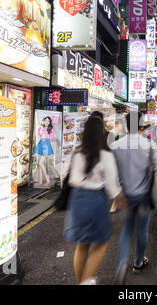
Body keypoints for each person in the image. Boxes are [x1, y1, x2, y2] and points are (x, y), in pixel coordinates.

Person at [64, 116, 124, 285]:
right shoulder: (105, 155)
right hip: (95, 200)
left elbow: (66, 176)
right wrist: (119, 197)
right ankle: (86, 281)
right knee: (102, 242)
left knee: (82, 244)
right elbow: (112, 187)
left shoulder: (76, 153)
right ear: (101, 133)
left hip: (76, 200)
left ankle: (80, 281)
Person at [112, 112, 157, 285]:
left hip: (126, 195)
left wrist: (118, 192)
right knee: (142, 229)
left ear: (126, 126)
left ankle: (121, 265)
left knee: (127, 229)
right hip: (143, 196)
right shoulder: (148, 144)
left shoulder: (116, 145)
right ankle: (137, 262)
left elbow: (113, 173)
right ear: (142, 127)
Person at [34, 116, 55, 186]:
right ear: (44, 121)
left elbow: (50, 139)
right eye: (45, 120)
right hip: (41, 143)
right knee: (40, 164)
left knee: (40, 162)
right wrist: (40, 129)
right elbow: (40, 135)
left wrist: (44, 130)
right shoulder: (41, 128)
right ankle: (40, 180)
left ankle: (47, 178)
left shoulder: (51, 129)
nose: (47, 122)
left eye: (48, 121)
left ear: (50, 122)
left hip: (46, 145)